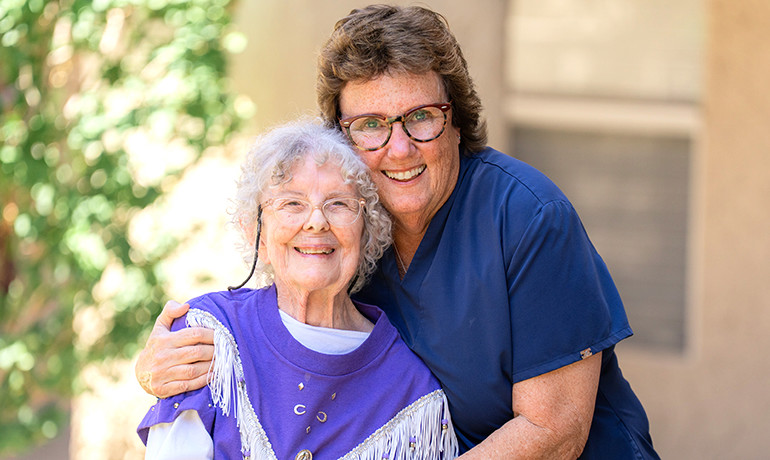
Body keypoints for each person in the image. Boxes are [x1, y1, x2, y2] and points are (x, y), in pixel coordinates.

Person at [135, 5, 659, 459]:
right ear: (342, 136)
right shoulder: (353, 227)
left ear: (456, 120)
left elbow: (554, 433)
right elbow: (289, 305)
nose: (399, 148)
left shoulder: (526, 217)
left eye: (421, 117)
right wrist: (171, 365)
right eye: (371, 125)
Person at [137, 119, 459, 459]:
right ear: (256, 232)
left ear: (367, 233)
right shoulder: (208, 335)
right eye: (292, 203)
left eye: (339, 204)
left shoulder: (411, 396)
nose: (316, 221)